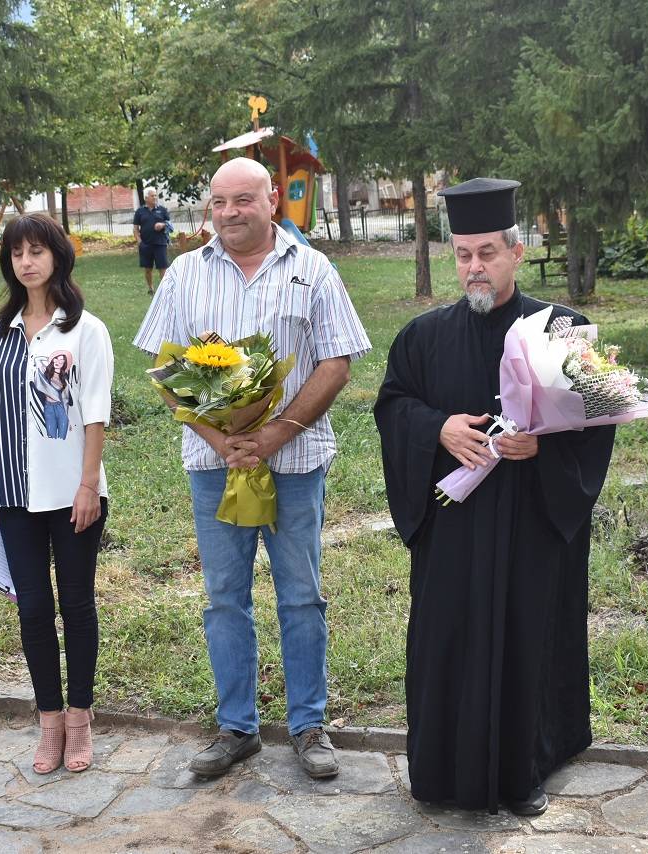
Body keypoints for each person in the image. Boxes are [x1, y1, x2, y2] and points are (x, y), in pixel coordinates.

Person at [373, 178, 617, 816]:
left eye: (486, 252)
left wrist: (545, 448)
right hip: (454, 528)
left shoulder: (564, 329)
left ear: (516, 250)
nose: (474, 267)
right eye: (462, 255)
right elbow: (394, 406)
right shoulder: (421, 338)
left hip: (532, 523)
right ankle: (441, 772)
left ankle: (524, 769)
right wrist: (439, 429)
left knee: (528, 636)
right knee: (448, 639)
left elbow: (600, 422)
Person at [133, 157, 371, 780]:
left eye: (244, 200)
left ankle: (308, 725)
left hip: (294, 464)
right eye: (219, 202)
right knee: (223, 599)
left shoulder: (312, 270)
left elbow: (336, 363)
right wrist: (221, 439)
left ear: (273, 202)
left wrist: (272, 434)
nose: (231, 212)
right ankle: (236, 728)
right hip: (214, 466)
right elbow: (163, 370)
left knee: (300, 595)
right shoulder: (184, 272)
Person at [0, 212, 113, 775]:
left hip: (72, 493)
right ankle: (49, 724)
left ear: (57, 255)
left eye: (36, 251)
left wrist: (88, 484)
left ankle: (80, 723)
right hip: (13, 496)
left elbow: (96, 415)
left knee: (76, 606)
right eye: (16, 254)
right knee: (33, 610)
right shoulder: (1, 334)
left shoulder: (85, 330)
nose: (26, 262)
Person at [133, 187, 174, 294]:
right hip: (145, 244)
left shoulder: (162, 210)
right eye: (152, 195)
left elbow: (170, 226)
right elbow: (136, 229)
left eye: (156, 195)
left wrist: (163, 224)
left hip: (160, 243)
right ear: (146, 198)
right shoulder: (140, 212)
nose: (155, 197)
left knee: (163, 267)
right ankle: (151, 288)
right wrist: (139, 242)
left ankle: (164, 290)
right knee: (147, 269)